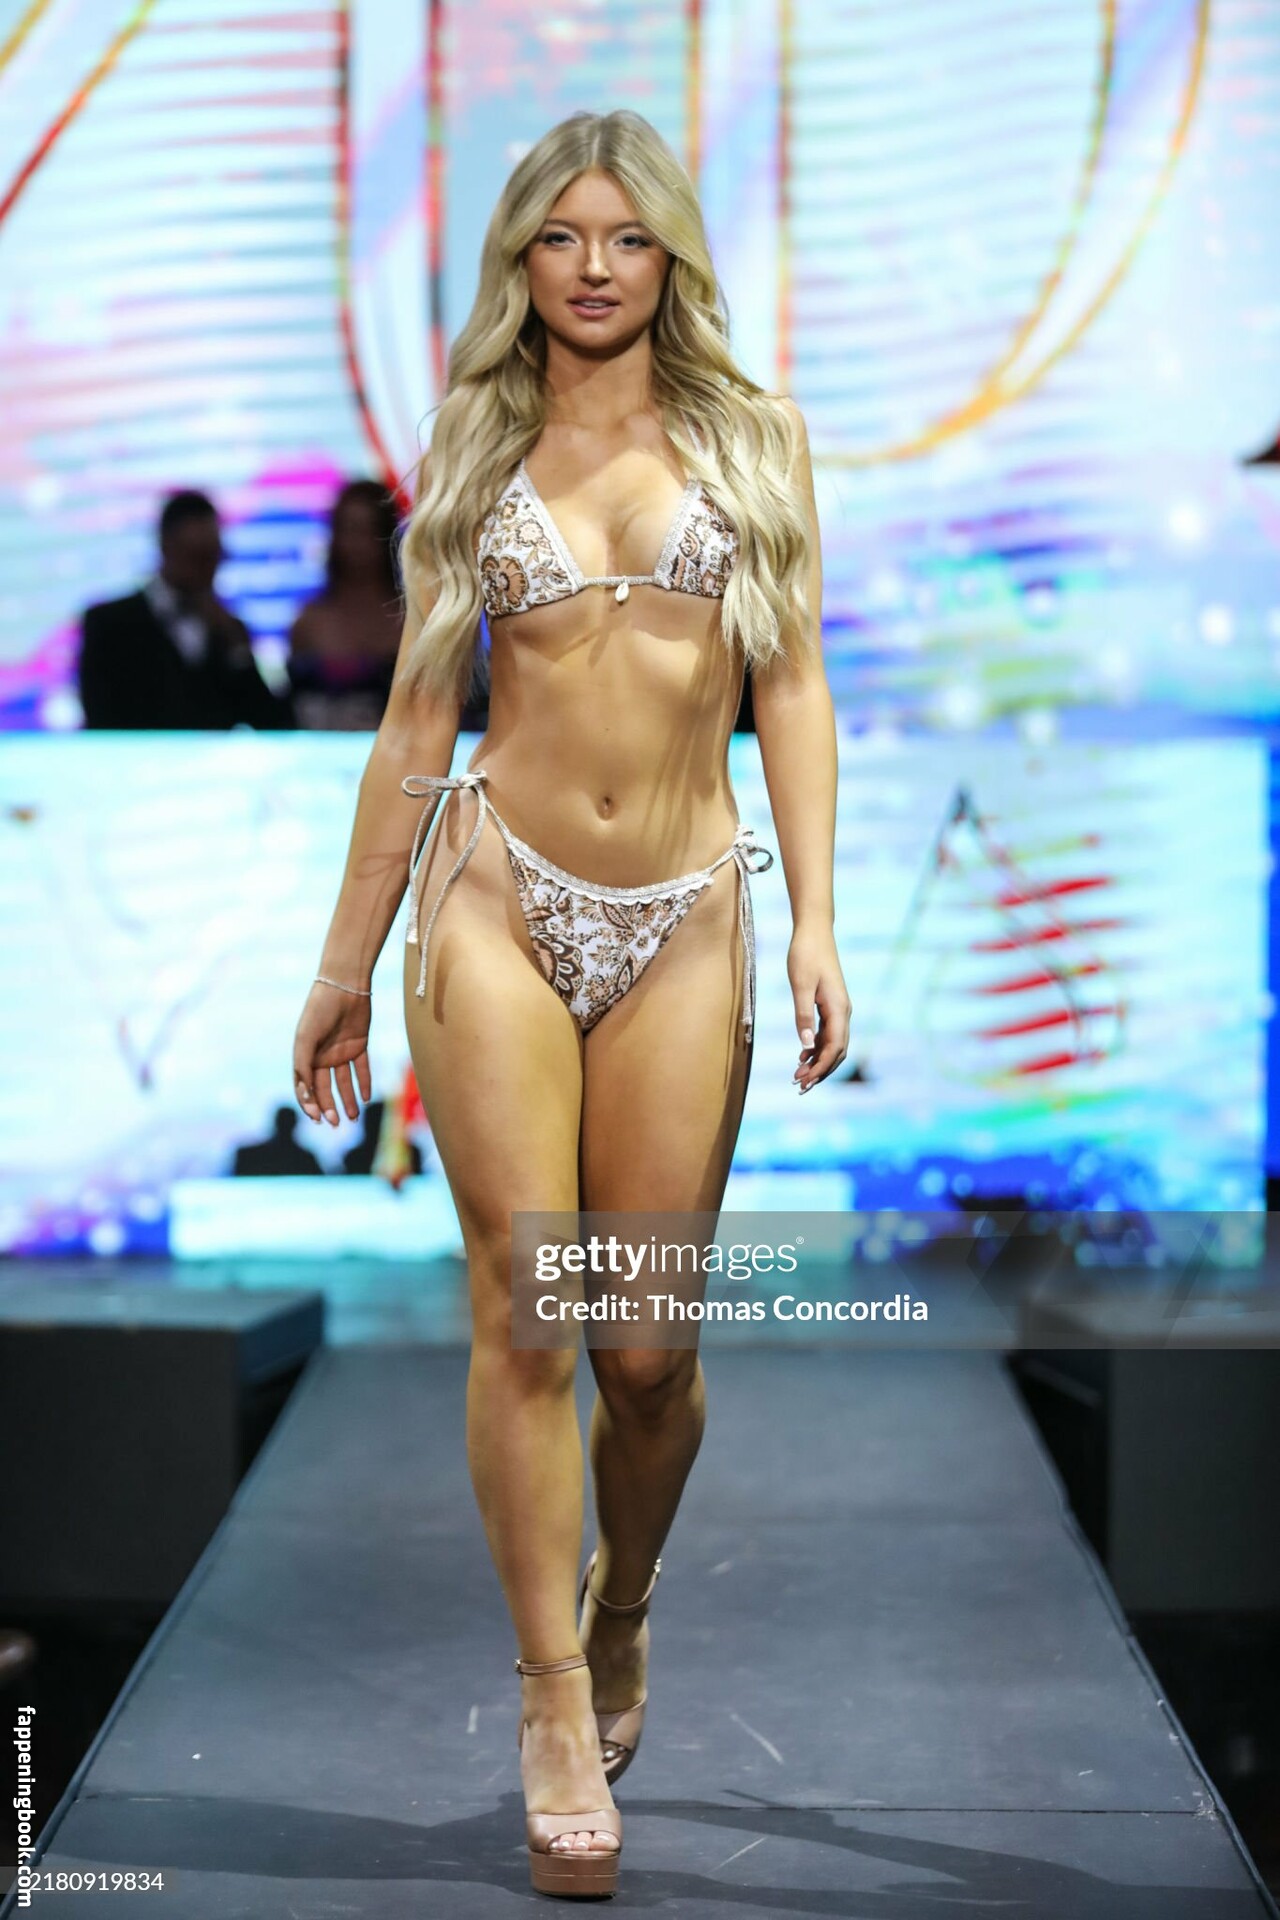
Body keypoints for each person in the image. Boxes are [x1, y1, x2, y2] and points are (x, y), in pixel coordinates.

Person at [290, 110, 849, 1899]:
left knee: (646, 1351)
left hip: (686, 908)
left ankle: (626, 1601)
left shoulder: (755, 437)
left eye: (625, 236)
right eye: (559, 235)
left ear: (671, 253)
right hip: (495, 899)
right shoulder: (475, 436)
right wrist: (343, 965)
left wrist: (820, 918)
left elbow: (794, 686)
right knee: (529, 1315)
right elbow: (415, 722)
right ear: (519, 256)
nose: (593, 267)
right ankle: (546, 1700)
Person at [79, 490, 293, 730]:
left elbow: (267, 719)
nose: (207, 569)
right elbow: (99, 715)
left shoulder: (230, 630)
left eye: (213, 556)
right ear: (165, 546)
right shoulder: (109, 623)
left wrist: (236, 649)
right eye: (195, 556)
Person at [286, 480, 405, 730]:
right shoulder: (309, 621)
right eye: (348, 530)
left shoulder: (412, 621)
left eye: (369, 531)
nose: (357, 544)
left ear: (388, 537)